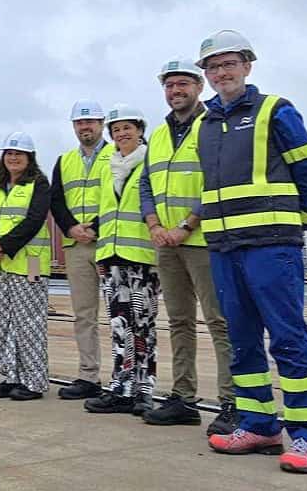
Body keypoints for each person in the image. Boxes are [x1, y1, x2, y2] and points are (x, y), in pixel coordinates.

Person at [196, 29, 307, 473]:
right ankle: (259, 424)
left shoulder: (276, 110)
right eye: (214, 67)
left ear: (247, 66)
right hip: (224, 247)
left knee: (288, 339)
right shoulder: (206, 123)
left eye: (229, 64)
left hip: (272, 246)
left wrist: (301, 223)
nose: (222, 73)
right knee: (243, 341)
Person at [139, 59, 237, 434]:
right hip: (166, 242)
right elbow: (146, 183)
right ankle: (183, 397)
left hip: (203, 240)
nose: (175, 91)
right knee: (179, 321)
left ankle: (233, 401)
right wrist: (154, 224)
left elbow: (217, 179)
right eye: (169, 86)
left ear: (198, 86)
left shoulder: (212, 124)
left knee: (219, 321)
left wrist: (186, 225)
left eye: (182, 84)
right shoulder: (160, 133)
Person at [85, 104, 161, 415]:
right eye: (116, 130)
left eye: (127, 128)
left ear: (140, 130)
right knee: (119, 324)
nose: (122, 134)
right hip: (111, 255)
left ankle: (144, 389)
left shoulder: (150, 162)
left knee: (142, 325)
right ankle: (120, 386)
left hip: (141, 255)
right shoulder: (109, 165)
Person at [0, 132, 53, 401]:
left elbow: (33, 221)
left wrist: (3, 246)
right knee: (4, 323)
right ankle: (11, 376)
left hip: (29, 263)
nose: (13, 158)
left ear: (29, 158)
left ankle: (33, 381)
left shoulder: (39, 184)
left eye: (18, 154)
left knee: (29, 323)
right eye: (9, 154)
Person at [50, 100, 113, 400]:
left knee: (122, 315)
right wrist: (72, 228)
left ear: (101, 124)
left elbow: (124, 195)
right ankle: (88, 375)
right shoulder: (64, 161)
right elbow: (57, 201)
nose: (85, 127)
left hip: (110, 242)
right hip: (75, 246)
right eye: (79, 123)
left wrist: (97, 228)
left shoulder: (118, 155)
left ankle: (126, 378)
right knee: (84, 315)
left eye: (90, 122)